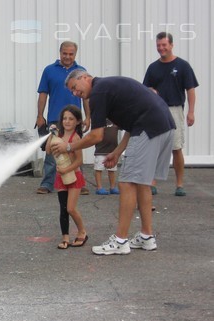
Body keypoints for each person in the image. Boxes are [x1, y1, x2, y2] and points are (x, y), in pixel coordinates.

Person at [52, 69, 175, 255]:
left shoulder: (99, 92)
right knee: (142, 183)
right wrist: (117, 152)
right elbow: (131, 125)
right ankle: (147, 236)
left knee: (126, 182)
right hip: (164, 126)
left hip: (149, 128)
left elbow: (96, 135)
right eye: (72, 92)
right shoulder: (108, 87)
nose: (75, 93)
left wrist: (69, 148)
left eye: (75, 88)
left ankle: (120, 240)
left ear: (85, 78)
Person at [143, 32, 198, 197]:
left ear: (171, 45)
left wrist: (191, 112)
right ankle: (152, 182)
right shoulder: (153, 67)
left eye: (164, 45)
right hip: (156, 110)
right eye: (158, 45)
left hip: (175, 110)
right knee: (155, 147)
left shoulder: (183, 66)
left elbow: (190, 90)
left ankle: (179, 184)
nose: (161, 48)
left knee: (176, 147)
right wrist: (150, 90)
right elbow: (145, 88)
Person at [35, 41, 90, 195]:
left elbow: (86, 97)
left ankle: (80, 183)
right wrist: (40, 116)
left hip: (76, 119)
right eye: (64, 53)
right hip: (55, 119)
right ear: (60, 53)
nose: (67, 56)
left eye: (71, 54)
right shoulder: (49, 70)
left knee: (76, 150)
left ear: (75, 54)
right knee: (53, 152)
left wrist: (88, 117)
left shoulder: (81, 71)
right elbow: (43, 94)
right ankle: (47, 184)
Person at [46, 105, 87, 249]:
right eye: (64, 118)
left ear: (77, 122)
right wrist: (51, 135)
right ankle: (65, 237)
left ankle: (82, 232)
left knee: (70, 208)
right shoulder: (58, 136)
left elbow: (79, 161)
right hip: (61, 177)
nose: (67, 121)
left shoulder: (76, 138)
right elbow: (48, 151)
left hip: (74, 177)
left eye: (71, 119)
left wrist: (66, 169)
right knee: (63, 208)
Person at [94, 120, 120, 195]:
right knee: (98, 169)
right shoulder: (99, 121)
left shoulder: (115, 120)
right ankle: (99, 187)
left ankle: (112, 187)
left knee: (112, 170)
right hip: (100, 150)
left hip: (112, 151)